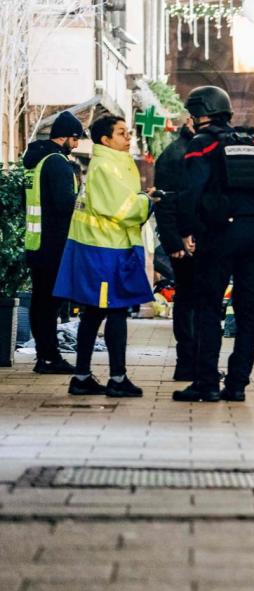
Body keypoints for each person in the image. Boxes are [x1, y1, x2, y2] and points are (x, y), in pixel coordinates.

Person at [173, 85, 254, 403]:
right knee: (246, 309)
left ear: (199, 114)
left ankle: (206, 382)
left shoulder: (202, 145)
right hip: (252, 233)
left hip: (219, 234)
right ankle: (237, 384)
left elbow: (190, 192)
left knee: (209, 307)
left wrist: (187, 229)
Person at [53, 114, 155, 397]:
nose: (129, 137)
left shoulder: (112, 164)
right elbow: (122, 209)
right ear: (105, 140)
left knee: (95, 312)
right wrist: (148, 200)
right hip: (103, 250)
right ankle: (116, 378)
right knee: (115, 311)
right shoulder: (107, 167)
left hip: (104, 247)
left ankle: (83, 376)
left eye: (129, 132)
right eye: (122, 133)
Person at [22, 111, 85, 375]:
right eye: (76, 138)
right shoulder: (58, 163)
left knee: (40, 302)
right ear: (67, 136)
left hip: (35, 242)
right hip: (55, 244)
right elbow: (65, 205)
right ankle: (49, 358)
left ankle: (44, 356)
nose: (77, 144)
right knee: (50, 304)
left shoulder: (35, 161)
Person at [153, 117, 196, 381]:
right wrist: (176, 238)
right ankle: (189, 363)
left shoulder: (196, 149)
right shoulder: (177, 153)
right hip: (185, 243)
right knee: (190, 302)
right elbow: (165, 200)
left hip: (194, 239)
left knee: (193, 302)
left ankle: (193, 363)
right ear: (190, 120)